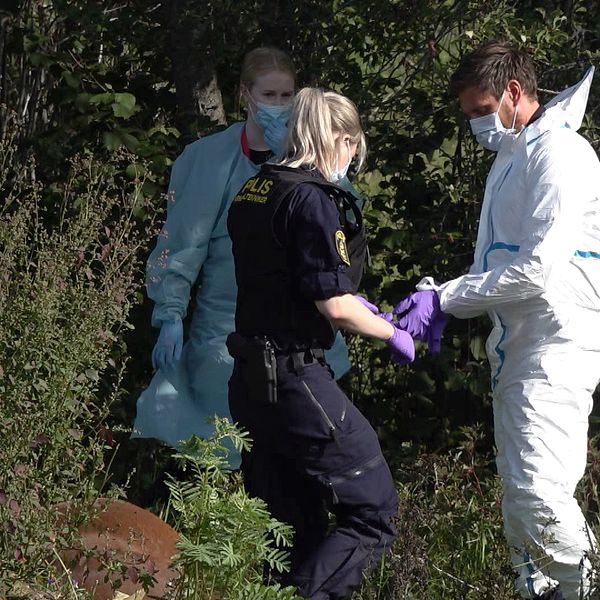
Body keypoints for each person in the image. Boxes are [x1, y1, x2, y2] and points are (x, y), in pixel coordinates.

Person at [393, 41, 600, 600]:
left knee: (539, 492)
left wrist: (447, 299)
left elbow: (536, 270)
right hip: (517, 347)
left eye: (481, 110)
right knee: (519, 502)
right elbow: (502, 266)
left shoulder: (560, 154)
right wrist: (439, 296)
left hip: (556, 344)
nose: (477, 125)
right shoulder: (513, 160)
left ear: (513, 92)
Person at [226, 87, 415, 600]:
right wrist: (394, 332)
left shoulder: (255, 190)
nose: (352, 156)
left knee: (291, 526)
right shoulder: (311, 198)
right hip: (295, 377)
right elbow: (333, 305)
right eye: (351, 144)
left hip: (249, 382)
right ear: (337, 138)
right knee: (373, 511)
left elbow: (291, 282)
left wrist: (361, 305)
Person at [131, 48, 356, 463]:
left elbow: (340, 244)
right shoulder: (209, 160)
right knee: (224, 459)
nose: (279, 105)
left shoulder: (313, 157)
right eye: (268, 94)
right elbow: (181, 246)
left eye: (287, 95)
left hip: (301, 338)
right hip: (224, 339)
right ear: (245, 95)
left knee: (298, 462)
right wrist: (170, 315)